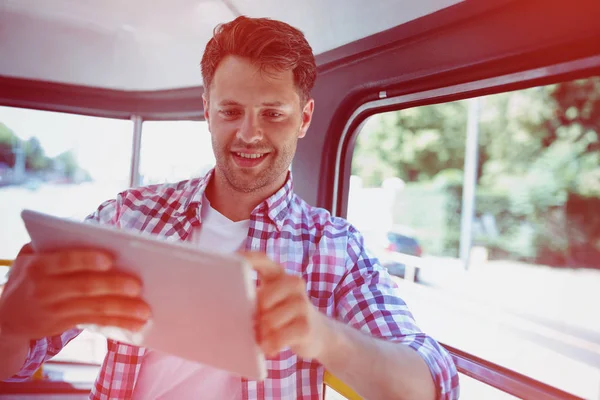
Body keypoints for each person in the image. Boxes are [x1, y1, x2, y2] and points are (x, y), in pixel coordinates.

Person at [0, 16, 459, 400]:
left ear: (304, 118)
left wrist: (323, 336)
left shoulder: (334, 248)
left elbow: (432, 385)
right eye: (231, 111)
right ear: (206, 109)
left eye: (274, 114)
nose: (249, 134)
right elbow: (15, 365)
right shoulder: (127, 217)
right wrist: (11, 323)